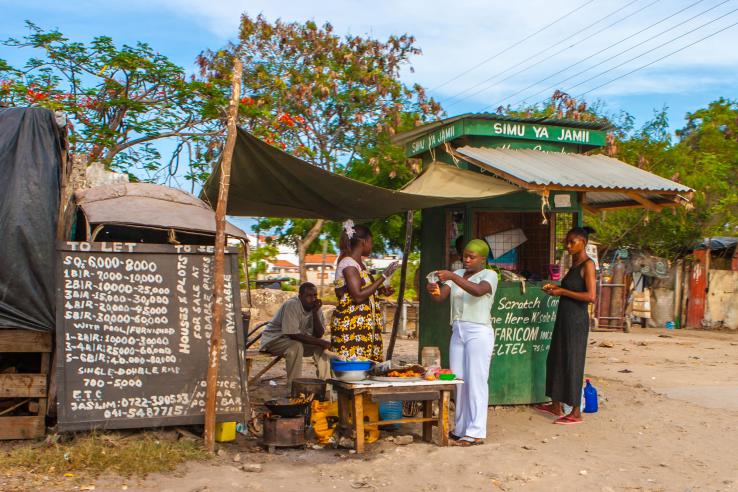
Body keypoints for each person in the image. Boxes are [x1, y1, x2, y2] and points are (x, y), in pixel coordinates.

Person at [426, 239, 499, 446]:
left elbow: (477, 291)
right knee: (459, 381)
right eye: (464, 255)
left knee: (476, 381)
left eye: (471, 257)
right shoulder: (457, 275)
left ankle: (476, 432)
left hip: (478, 331)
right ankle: (460, 429)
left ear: (483, 259)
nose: (466, 260)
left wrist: (450, 276)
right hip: (458, 330)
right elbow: (441, 298)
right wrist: (433, 289)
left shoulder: (490, 275)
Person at [538, 226, 597, 425]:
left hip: (576, 321)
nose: (568, 245)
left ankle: (575, 412)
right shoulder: (574, 263)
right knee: (556, 358)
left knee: (573, 362)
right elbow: (571, 288)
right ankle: (556, 404)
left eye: (573, 242)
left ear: (584, 243)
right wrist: (557, 289)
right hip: (564, 318)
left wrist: (562, 292)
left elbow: (590, 296)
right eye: (567, 241)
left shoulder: (588, 265)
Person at [331, 220, 399, 362]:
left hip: (364, 329)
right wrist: (384, 276)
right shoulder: (348, 264)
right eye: (371, 242)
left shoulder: (359, 265)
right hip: (351, 329)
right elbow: (357, 296)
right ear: (363, 242)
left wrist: (380, 291)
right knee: (353, 370)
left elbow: (364, 291)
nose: (371, 246)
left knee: (367, 369)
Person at [259, 282, 331, 392]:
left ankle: (326, 387)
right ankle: (294, 389)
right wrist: (321, 341)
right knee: (296, 346)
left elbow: (319, 334)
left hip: (295, 341)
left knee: (321, 348)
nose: (313, 299)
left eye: (315, 295)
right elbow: (292, 334)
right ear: (300, 296)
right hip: (274, 339)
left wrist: (315, 313)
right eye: (309, 296)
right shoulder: (292, 305)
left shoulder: (315, 307)